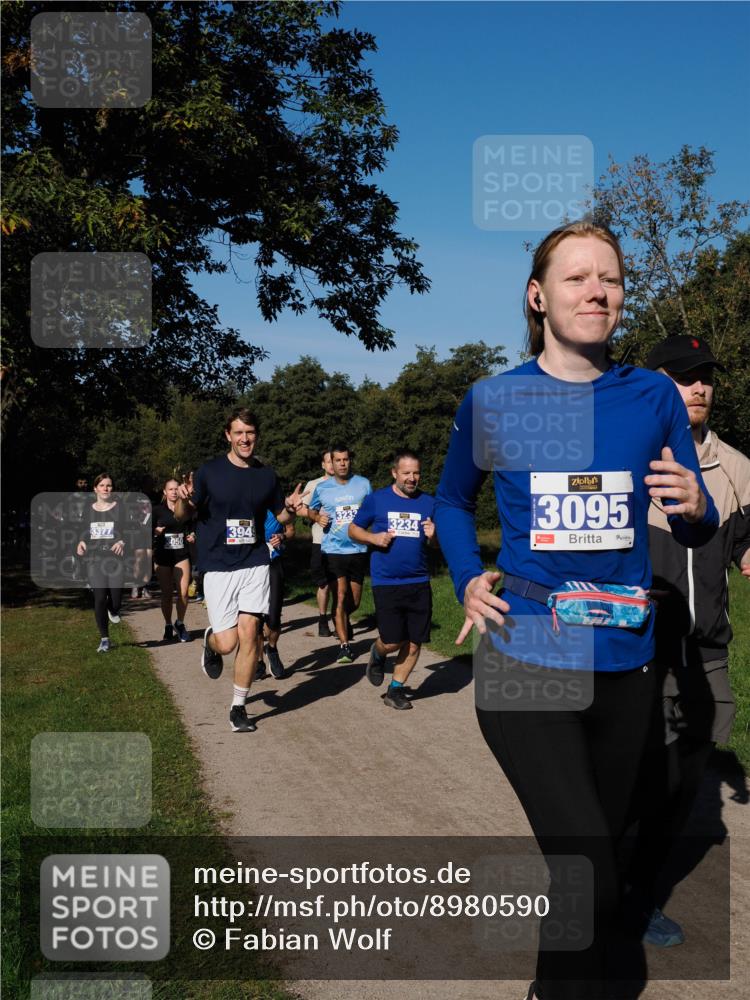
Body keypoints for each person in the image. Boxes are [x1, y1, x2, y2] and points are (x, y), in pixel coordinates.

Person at [433, 221, 718, 1000]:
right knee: (587, 866)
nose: (598, 291)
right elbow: (453, 500)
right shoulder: (493, 399)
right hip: (526, 656)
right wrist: (465, 576)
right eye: (577, 278)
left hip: (626, 660)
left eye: (612, 279)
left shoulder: (653, 394)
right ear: (538, 295)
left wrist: (697, 509)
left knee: (594, 859)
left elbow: (695, 519)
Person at [627, 335, 750, 946]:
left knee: (684, 777)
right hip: (642, 648)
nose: (698, 386)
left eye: (705, 375)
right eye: (683, 376)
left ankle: (638, 886)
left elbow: (744, 540)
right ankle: (618, 885)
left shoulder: (737, 467)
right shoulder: (629, 458)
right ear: (656, 385)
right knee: (637, 772)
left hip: (709, 652)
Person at [174, 408, 303, 733]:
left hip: (255, 562)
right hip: (217, 565)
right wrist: (182, 500)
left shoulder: (266, 476)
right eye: (239, 433)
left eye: (250, 433)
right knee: (228, 642)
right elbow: (183, 514)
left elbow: (282, 517)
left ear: (256, 435)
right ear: (228, 436)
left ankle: (238, 706)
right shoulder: (209, 472)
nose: (245, 439)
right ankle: (211, 642)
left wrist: (290, 508)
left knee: (250, 634)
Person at [349, 450, 436, 710]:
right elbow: (353, 529)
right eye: (406, 473)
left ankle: (395, 690)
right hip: (386, 581)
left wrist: (434, 536)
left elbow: (440, 544)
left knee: (414, 641)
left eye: (416, 473)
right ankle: (377, 653)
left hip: (419, 580)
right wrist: (374, 539)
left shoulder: (429, 503)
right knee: (392, 640)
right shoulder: (377, 500)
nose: (412, 478)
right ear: (394, 473)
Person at [307, 446, 372, 664]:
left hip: (359, 549)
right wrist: (317, 519)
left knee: (352, 602)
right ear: (331, 464)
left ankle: (341, 617)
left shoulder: (363, 484)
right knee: (340, 596)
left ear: (349, 461)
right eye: (338, 460)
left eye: (346, 459)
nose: (342, 463)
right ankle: (344, 646)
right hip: (333, 550)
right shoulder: (323, 488)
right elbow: (311, 510)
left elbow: (373, 509)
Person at [76, 473, 126, 653]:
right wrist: (81, 542)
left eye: (109, 485)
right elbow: (83, 531)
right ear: (95, 488)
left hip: (115, 559)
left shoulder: (120, 508)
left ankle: (114, 609)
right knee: (99, 598)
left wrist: (122, 541)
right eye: (102, 485)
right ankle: (105, 639)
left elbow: (131, 530)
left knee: (116, 600)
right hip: (95, 558)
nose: (106, 488)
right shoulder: (89, 509)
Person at [153, 478, 195, 643]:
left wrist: (193, 534)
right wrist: (155, 531)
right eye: (170, 489)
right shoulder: (157, 510)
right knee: (167, 594)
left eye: (176, 489)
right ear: (164, 491)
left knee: (184, 593)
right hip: (163, 555)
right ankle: (168, 624)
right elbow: (146, 528)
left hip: (181, 554)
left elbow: (193, 526)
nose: (174, 492)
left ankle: (180, 623)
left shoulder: (186, 508)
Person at [255, 510, 295, 680]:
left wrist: (282, 537)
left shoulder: (277, 505)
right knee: (254, 615)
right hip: (252, 564)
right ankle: (258, 663)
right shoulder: (245, 502)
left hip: (274, 562)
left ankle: (271, 648)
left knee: (274, 617)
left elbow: (291, 530)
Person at [299, 451, 336, 636]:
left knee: (341, 584)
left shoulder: (349, 485)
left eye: (335, 461)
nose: (332, 464)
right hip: (320, 541)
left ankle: (341, 620)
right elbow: (300, 511)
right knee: (324, 584)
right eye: (329, 461)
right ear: (323, 464)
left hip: (344, 543)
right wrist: (316, 516)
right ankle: (323, 619)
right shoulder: (314, 485)